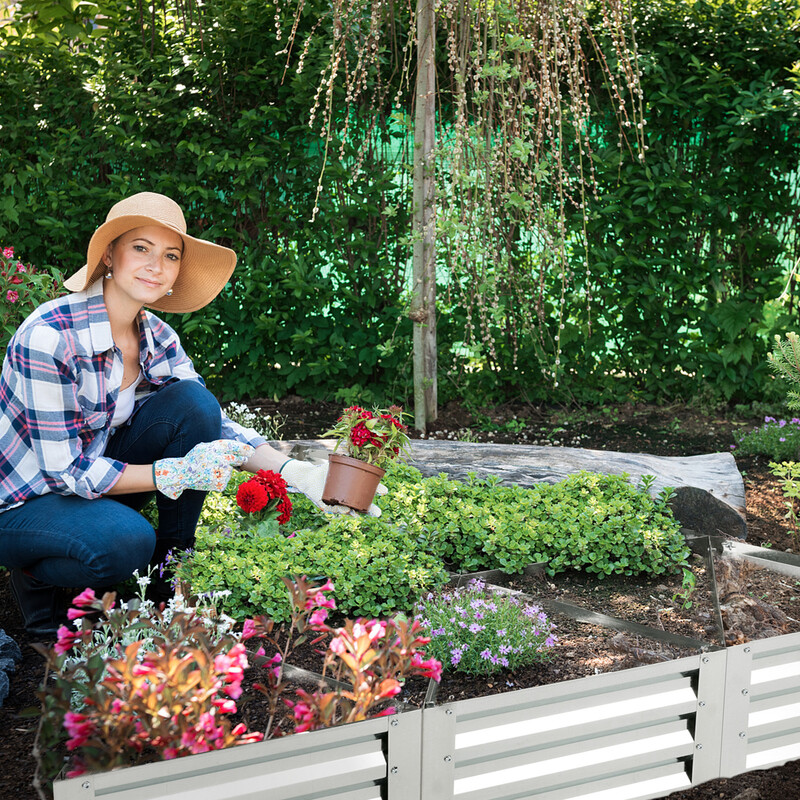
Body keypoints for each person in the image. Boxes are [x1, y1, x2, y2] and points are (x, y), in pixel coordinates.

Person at [0, 191, 376, 637]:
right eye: (141, 248)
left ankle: (166, 585)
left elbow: (211, 424)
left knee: (193, 405)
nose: (155, 266)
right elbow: (67, 473)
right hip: (22, 504)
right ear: (108, 255)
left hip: (88, 486)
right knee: (125, 541)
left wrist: (298, 473)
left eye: (170, 255)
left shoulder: (156, 335)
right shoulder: (49, 338)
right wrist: (171, 472)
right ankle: (37, 576)